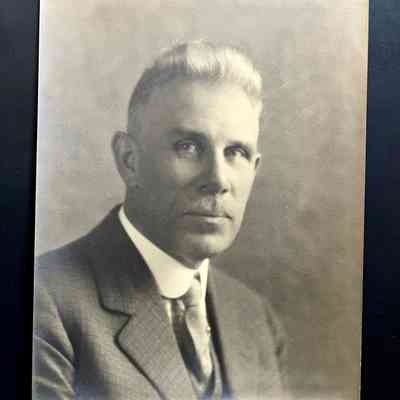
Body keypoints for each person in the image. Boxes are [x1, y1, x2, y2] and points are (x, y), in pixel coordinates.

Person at [33, 41, 289, 400]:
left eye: (236, 152)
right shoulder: (44, 301)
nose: (218, 179)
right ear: (129, 160)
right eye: (188, 146)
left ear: (254, 168)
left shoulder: (256, 320)